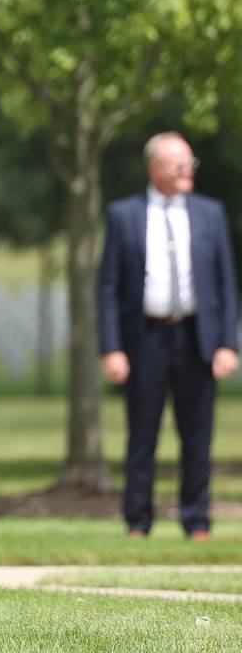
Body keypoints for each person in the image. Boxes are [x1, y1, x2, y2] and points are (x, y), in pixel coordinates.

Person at [98, 131, 239, 541]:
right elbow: (107, 287)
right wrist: (112, 348)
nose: (188, 171)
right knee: (142, 436)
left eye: (191, 164)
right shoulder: (125, 215)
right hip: (145, 339)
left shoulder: (210, 213)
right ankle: (137, 522)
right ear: (155, 168)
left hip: (197, 338)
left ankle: (197, 520)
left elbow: (226, 284)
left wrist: (228, 342)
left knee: (197, 435)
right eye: (179, 164)